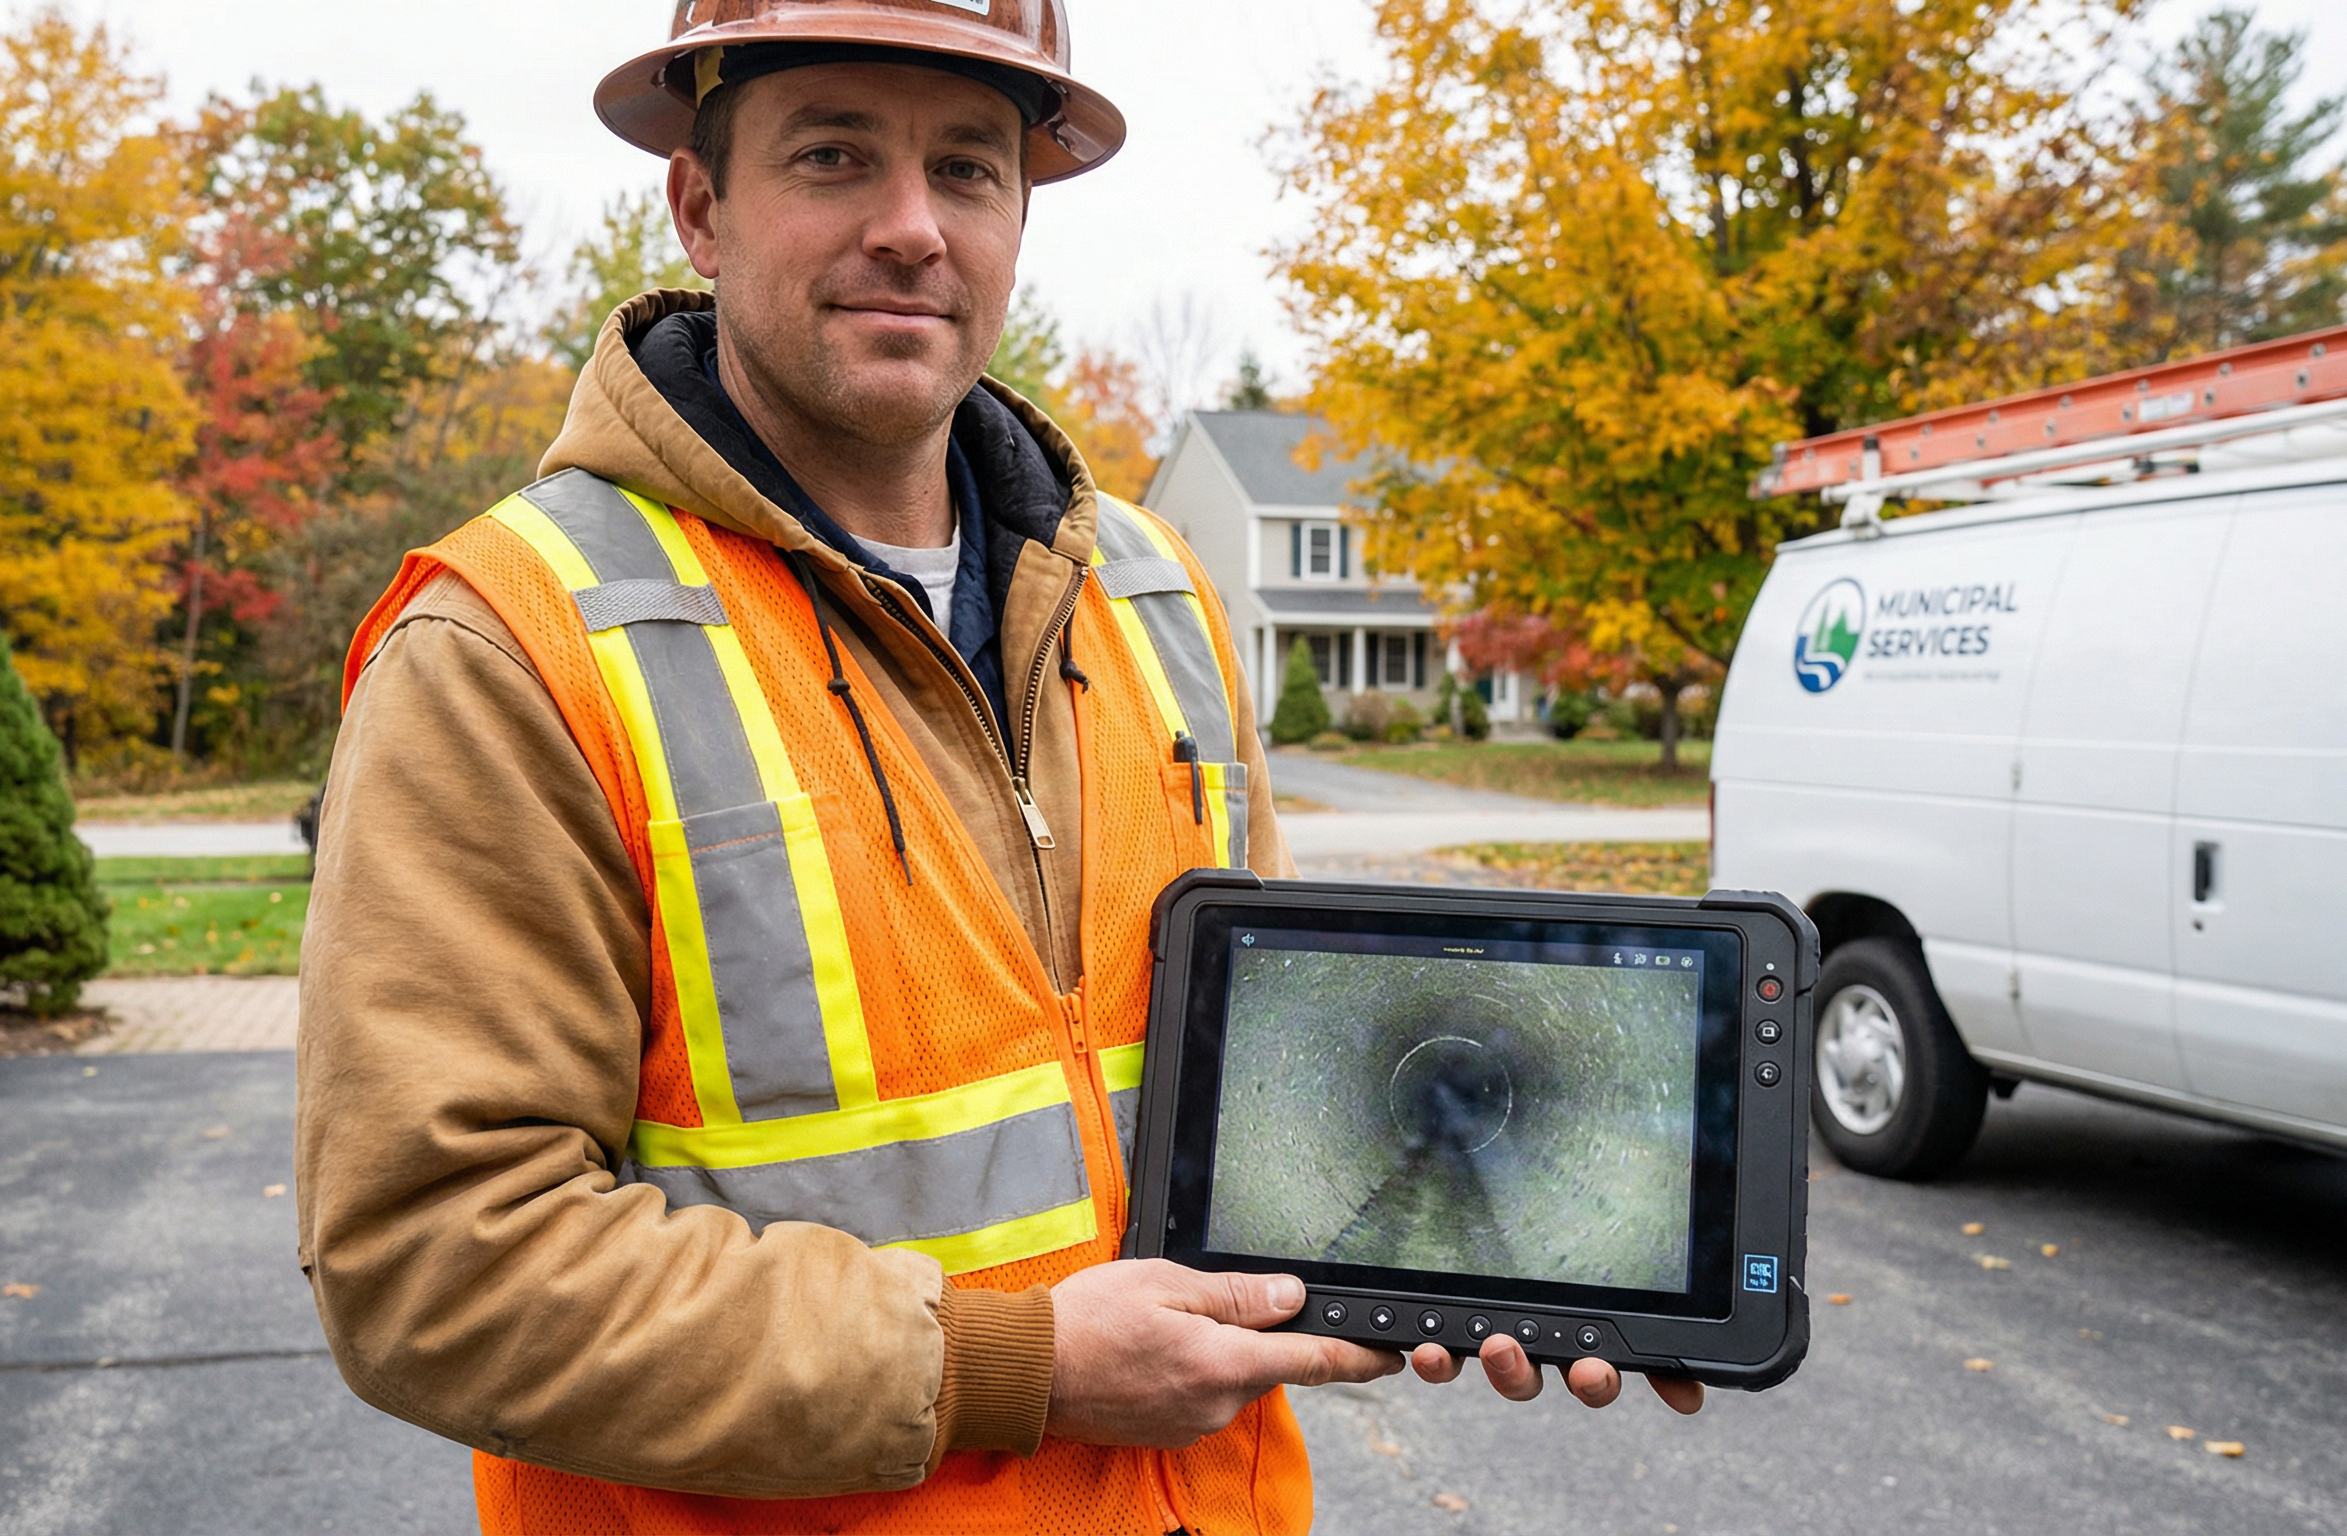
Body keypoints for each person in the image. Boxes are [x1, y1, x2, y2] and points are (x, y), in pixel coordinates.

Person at [294, 4, 1699, 1532]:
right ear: (700, 205)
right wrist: (1003, 1364)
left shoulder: (1152, 598)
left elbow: (1257, 1097)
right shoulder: (516, 644)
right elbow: (435, 1263)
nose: (912, 228)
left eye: (967, 169)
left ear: (1020, 216)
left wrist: (1534, 1242)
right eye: (834, 156)